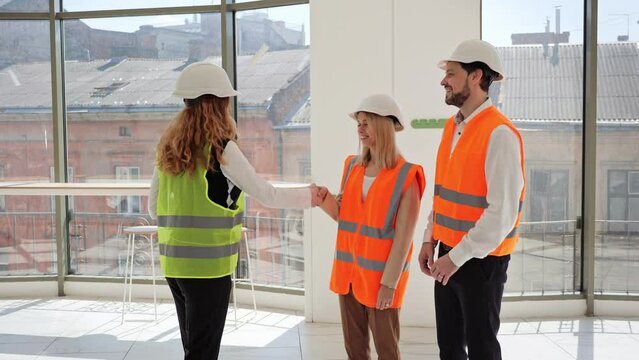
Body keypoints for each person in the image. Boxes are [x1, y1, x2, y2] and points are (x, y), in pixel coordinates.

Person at [148, 62, 322, 360]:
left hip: (174, 266)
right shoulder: (221, 149)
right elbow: (265, 193)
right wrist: (311, 197)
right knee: (203, 352)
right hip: (209, 269)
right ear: (220, 103)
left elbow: (153, 208)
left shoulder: (169, 148)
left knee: (194, 348)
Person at [417, 39, 526, 360]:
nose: (443, 81)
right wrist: (429, 239)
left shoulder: (499, 133)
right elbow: (443, 193)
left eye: (451, 73)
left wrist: (456, 258)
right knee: (449, 347)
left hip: (481, 262)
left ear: (476, 76)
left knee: (481, 348)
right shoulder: (453, 127)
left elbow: (502, 214)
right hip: (447, 250)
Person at [318, 94, 425, 360]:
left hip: (381, 281)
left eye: (367, 123)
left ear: (384, 126)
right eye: (359, 123)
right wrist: (323, 200)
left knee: (387, 351)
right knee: (355, 350)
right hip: (349, 276)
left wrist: (389, 284)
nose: (360, 129)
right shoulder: (352, 167)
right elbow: (345, 216)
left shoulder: (406, 176)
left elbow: (403, 239)